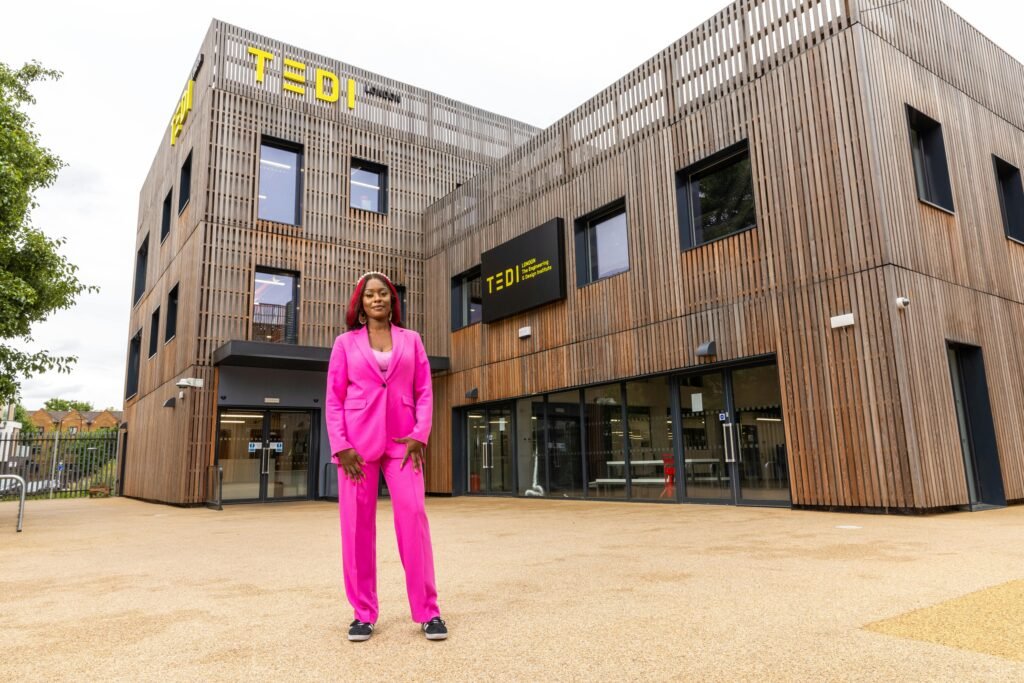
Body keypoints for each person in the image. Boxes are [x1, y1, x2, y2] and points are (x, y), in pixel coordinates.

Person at [325, 271, 448, 642]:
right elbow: (334, 398)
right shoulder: (345, 343)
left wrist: (420, 434)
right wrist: (341, 445)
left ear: (393, 300)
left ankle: (428, 612)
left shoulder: (412, 340)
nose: (376, 299)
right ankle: (363, 614)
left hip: (403, 443)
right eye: (369, 295)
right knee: (356, 529)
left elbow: (424, 391)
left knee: (414, 518)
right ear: (360, 304)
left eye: (383, 293)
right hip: (356, 448)